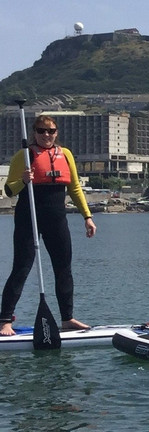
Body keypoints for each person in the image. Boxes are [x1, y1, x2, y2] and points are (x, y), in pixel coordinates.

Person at [1, 115, 97, 336]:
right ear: (34, 132)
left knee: (64, 269)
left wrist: (87, 217)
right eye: (41, 131)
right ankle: (4, 321)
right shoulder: (23, 156)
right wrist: (23, 180)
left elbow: (74, 188)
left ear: (56, 133)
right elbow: (8, 190)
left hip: (57, 219)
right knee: (22, 268)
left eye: (51, 131)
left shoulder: (66, 155)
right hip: (29, 218)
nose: (46, 135)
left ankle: (67, 318)